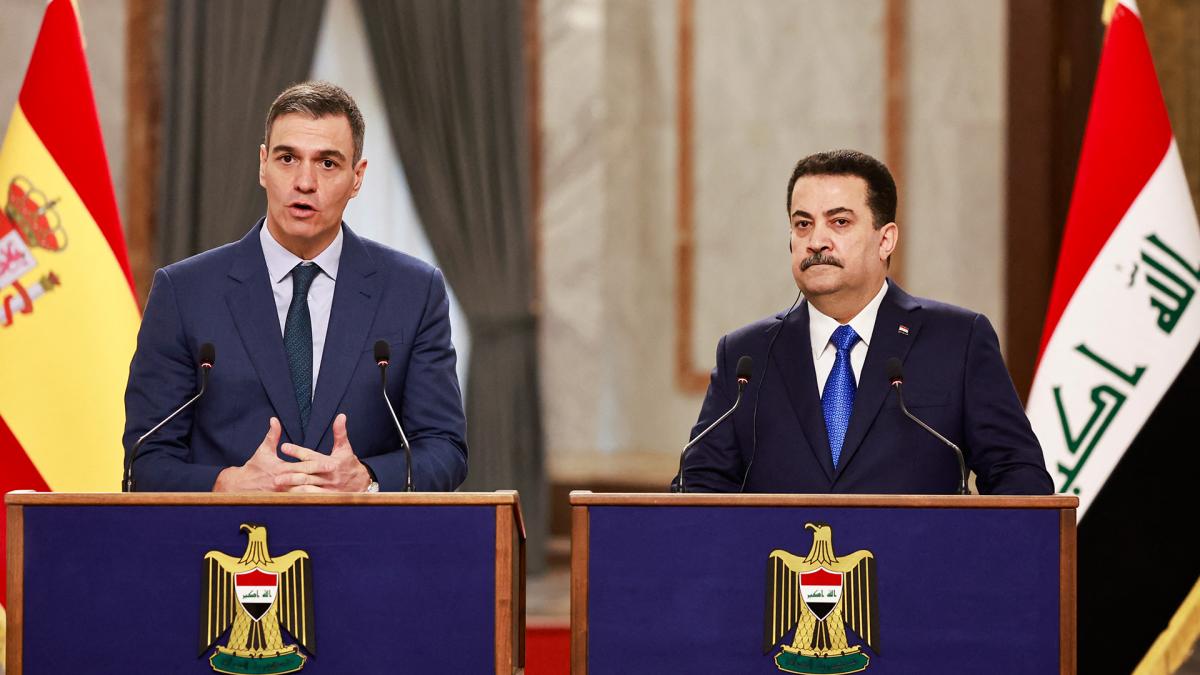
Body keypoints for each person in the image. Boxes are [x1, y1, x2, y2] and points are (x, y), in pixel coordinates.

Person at [123, 81, 467, 492]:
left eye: (327, 164)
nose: (305, 182)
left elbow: (445, 449)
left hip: (362, 545)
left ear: (357, 178)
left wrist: (368, 479)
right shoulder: (185, 293)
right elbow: (146, 459)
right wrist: (223, 484)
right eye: (288, 158)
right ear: (263, 165)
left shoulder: (413, 292)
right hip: (225, 549)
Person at [674, 149, 1052, 494]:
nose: (816, 241)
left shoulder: (958, 341)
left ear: (885, 239)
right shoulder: (746, 357)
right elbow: (699, 486)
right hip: (779, 567)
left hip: (921, 566)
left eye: (839, 222)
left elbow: (1020, 476)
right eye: (803, 224)